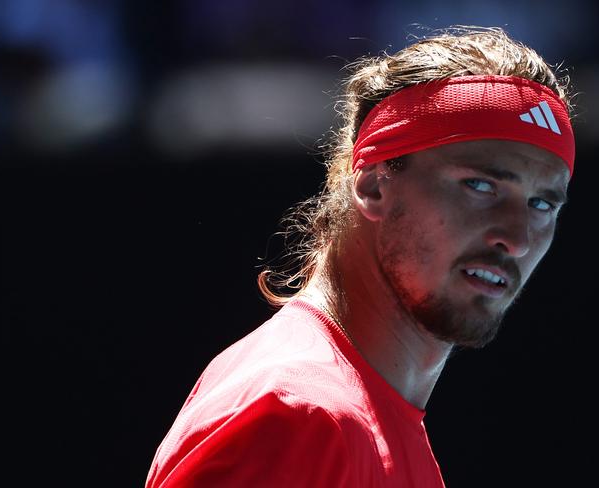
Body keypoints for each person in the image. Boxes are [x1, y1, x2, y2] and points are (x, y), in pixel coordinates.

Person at [145, 27, 575, 487]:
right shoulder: (301, 416)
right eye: (481, 186)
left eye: (542, 205)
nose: (518, 237)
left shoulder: (358, 419)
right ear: (372, 184)